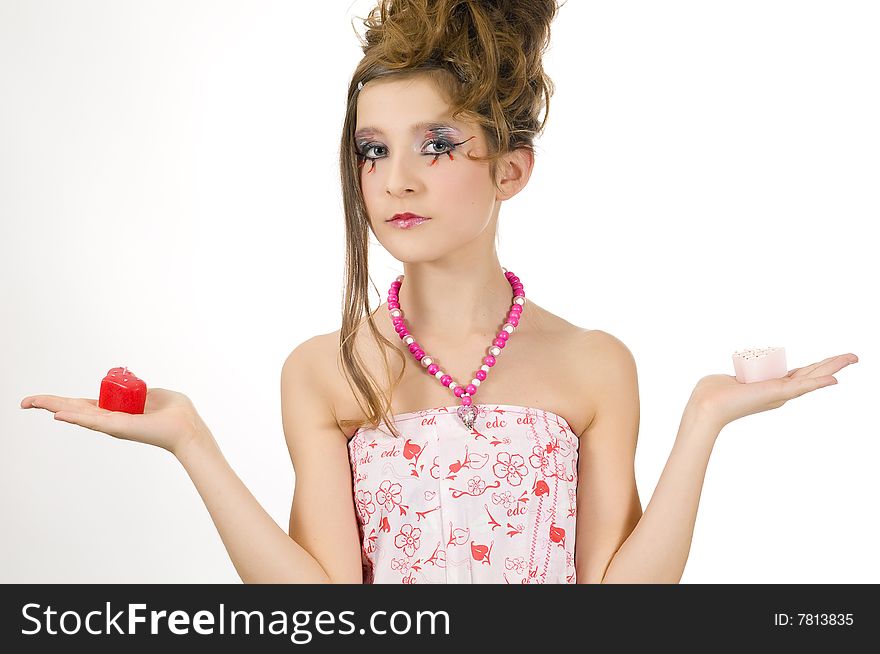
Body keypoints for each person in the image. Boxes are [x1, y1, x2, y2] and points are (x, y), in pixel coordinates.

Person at [19, 0, 858, 584]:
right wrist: (191, 442)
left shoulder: (594, 364)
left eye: (437, 144)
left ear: (511, 169)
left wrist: (702, 423)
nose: (397, 181)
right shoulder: (325, 371)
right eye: (374, 150)